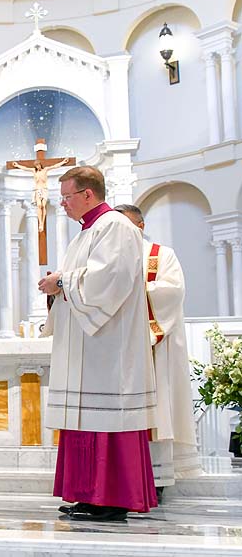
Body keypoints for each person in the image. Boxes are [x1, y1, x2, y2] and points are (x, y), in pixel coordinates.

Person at [39, 166, 158, 521]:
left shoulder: (115, 227)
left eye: (66, 196)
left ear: (88, 194)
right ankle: (89, 495)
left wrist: (61, 282)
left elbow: (110, 280)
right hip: (89, 347)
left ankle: (112, 499)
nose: (61, 204)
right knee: (85, 420)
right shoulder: (87, 233)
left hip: (108, 347)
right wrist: (59, 286)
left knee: (107, 420)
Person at [115, 204, 202, 497]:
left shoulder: (161, 255)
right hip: (119, 353)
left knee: (158, 411)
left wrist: (127, 296)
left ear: (139, 227)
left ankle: (157, 479)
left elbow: (172, 291)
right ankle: (122, 482)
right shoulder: (110, 258)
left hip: (154, 348)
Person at [12, 157, 69, 233]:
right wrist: (17, 165)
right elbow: (25, 168)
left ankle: (42, 220)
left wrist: (63, 162)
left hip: (44, 189)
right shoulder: (34, 171)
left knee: (43, 205)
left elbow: (54, 166)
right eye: (36, 166)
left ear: (40, 165)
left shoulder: (45, 170)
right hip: (37, 190)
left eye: (38, 165)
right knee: (39, 205)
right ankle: (40, 223)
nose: (37, 167)